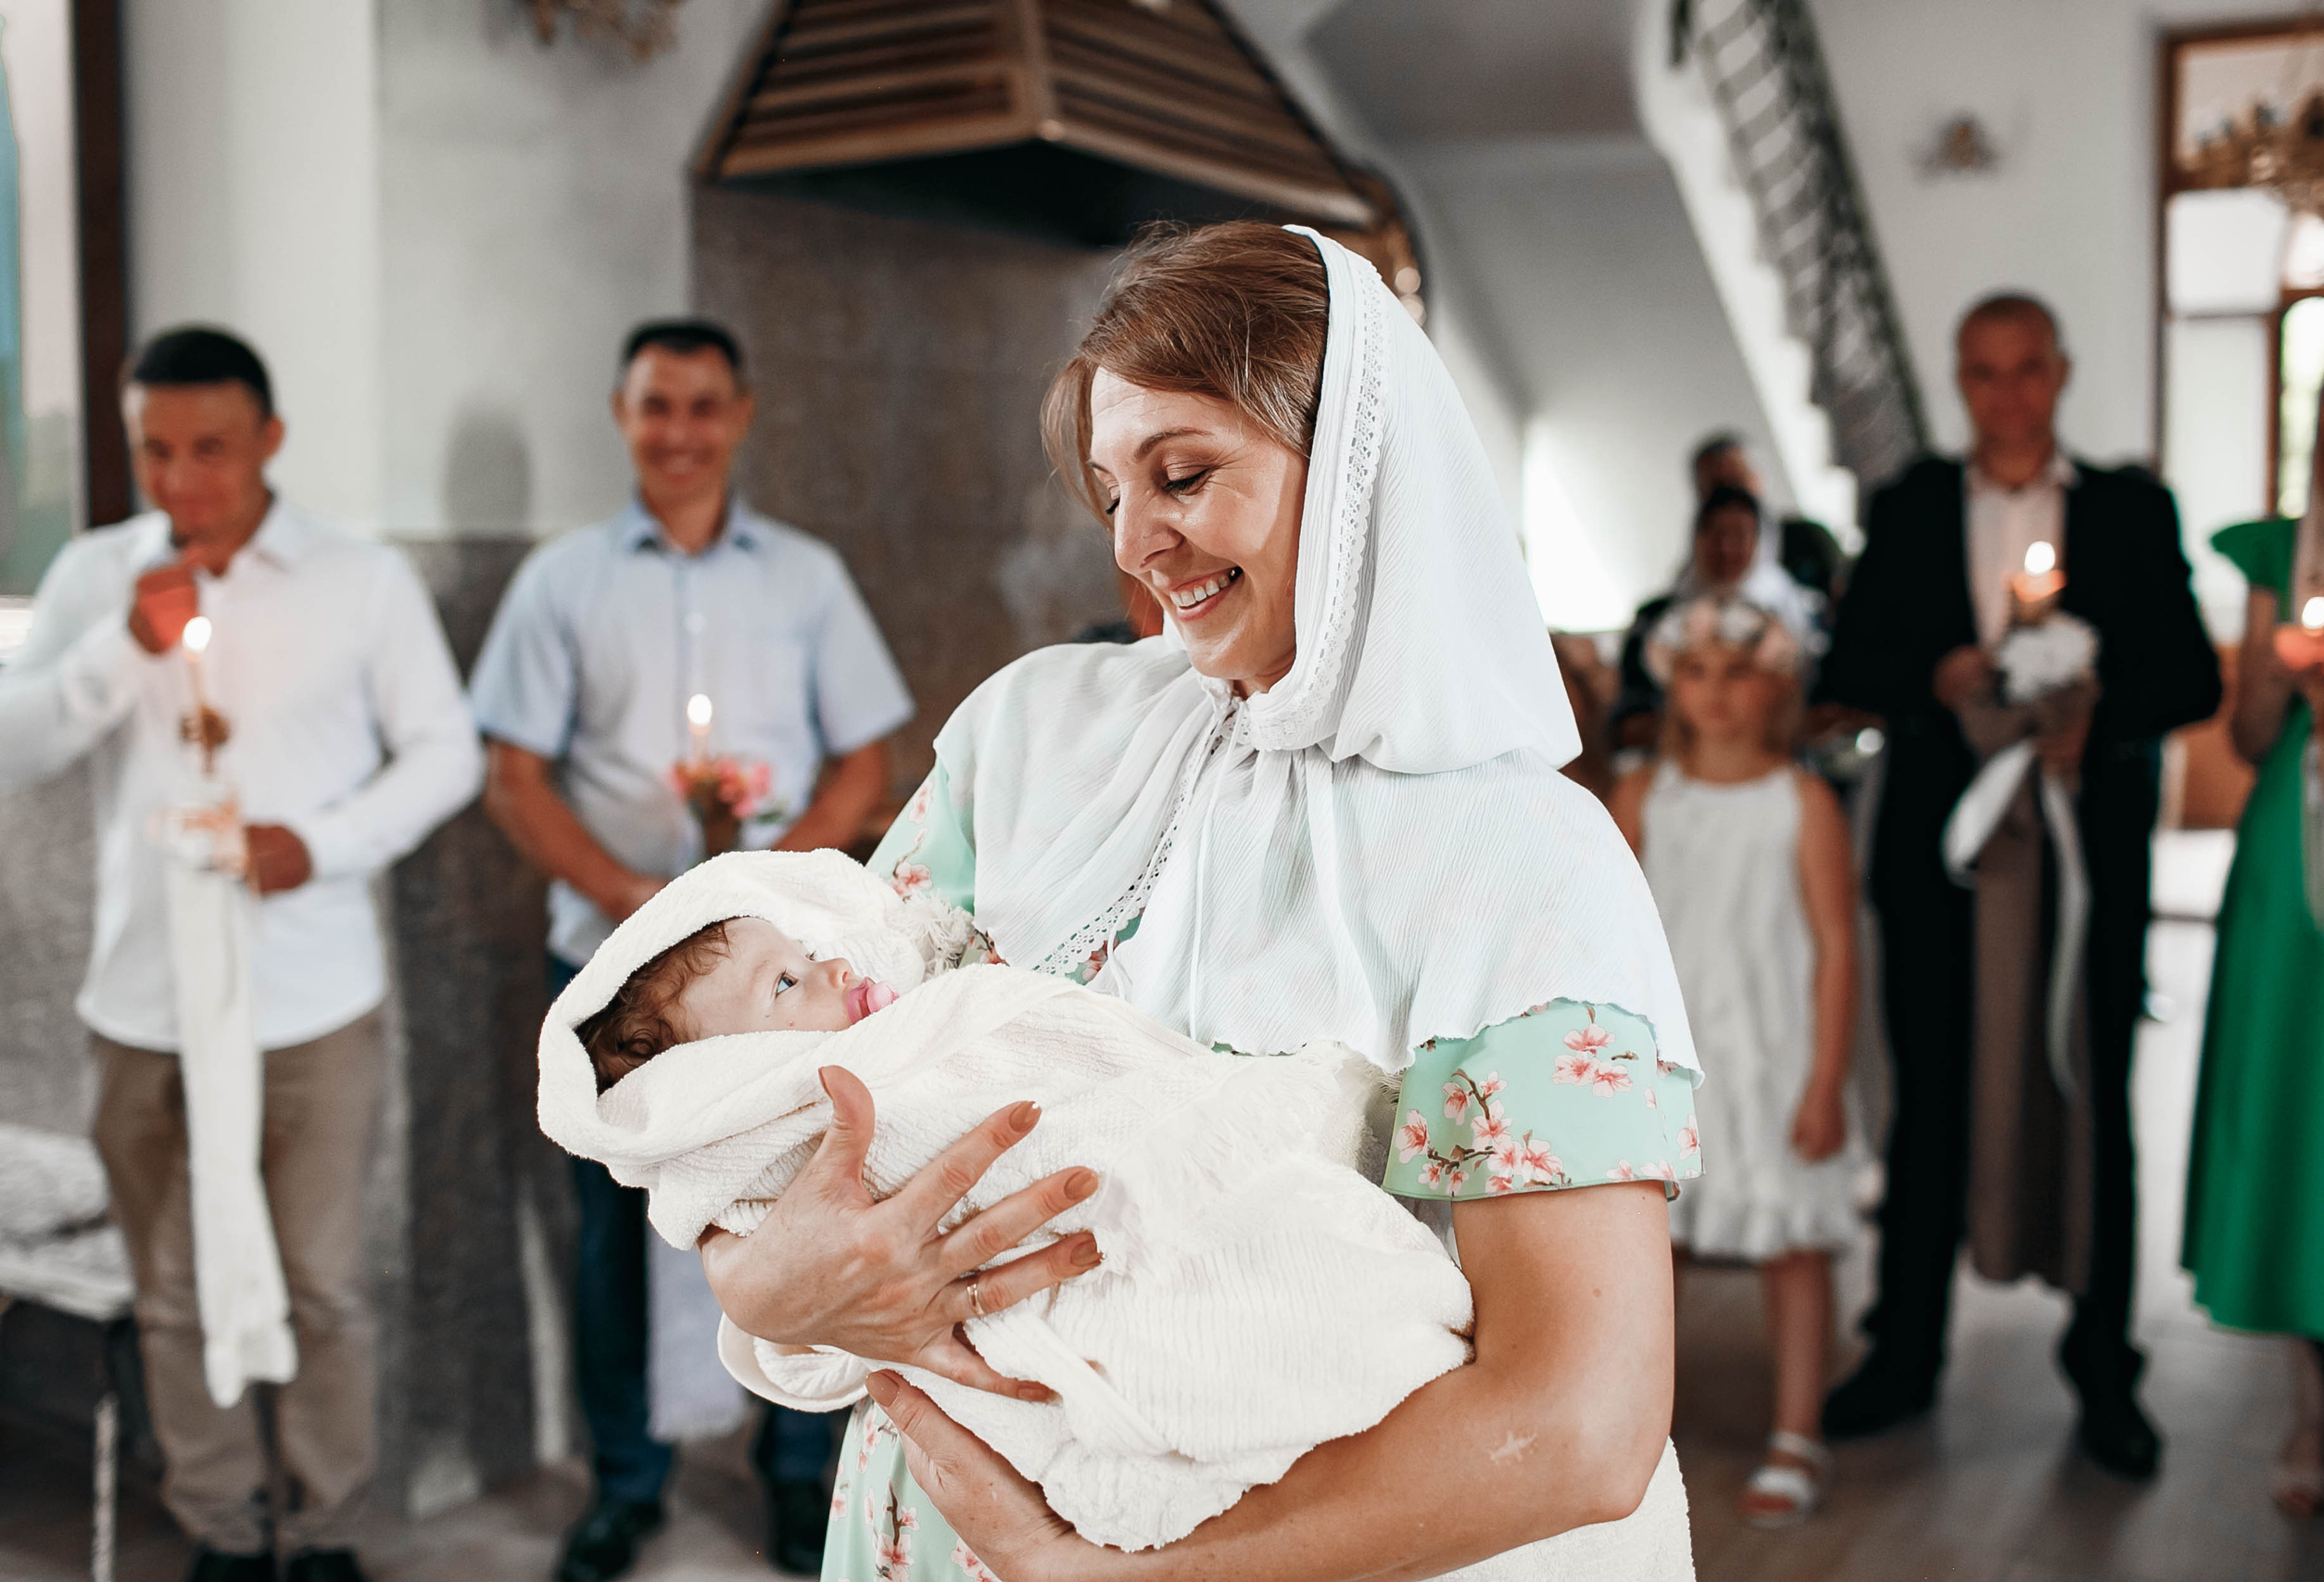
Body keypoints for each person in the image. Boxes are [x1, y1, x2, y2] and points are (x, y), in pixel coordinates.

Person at [701, 221, 1703, 1582]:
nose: (1136, 543)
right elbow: (784, 1111)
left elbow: (1579, 1420)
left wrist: (1120, 1578)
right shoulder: (1026, 735)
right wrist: (755, 1283)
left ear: (1359, 476)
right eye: (1111, 489)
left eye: (1186, 475)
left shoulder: (1520, 856)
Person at [538, 850, 1479, 1555]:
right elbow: (772, 1263)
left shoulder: (891, 1004)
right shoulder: (798, 1123)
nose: (829, 971)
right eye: (784, 986)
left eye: (805, 955)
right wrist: (761, 1287)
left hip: (1156, 1156)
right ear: (730, 1078)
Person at [0, 327, 482, 1582]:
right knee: (173, 1284)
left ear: (269, 438)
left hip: (312, 997)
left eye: (210, 448)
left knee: (320, 1283)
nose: (181, 480)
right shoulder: (101, 570)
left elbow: (446, 753)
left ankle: (323, 1528)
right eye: (154, 450)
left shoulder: (359, 580)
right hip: (144, 1000)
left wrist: (314, 844)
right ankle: (220, 1525)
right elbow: (17, 746)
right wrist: (125, 648)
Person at [469, 318, 915, 1580]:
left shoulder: (807, 579)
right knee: (616, 1233)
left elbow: (866, 756)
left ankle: (792, 1469)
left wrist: (767, 884)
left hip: (778, 984)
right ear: (623, 413)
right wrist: (634, 898)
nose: (680, 432)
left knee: (797, 1204)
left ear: (741, 415)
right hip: (611, 970)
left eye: (702, 408)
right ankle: (626, 1479)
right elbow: (513, 776)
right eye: (657, 406)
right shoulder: (563, 580)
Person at [1816, 293, 2221, 1476]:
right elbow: (1852, 664)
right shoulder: (1909, 507)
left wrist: (2096, 720)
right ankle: (1903, 1352)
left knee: (2090, 1088)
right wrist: (1932, 673)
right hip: (1942, 859)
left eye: (2026, 370)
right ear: (1958, 381)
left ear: (2061, 373)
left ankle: (2104, 1368)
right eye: (1982, 373)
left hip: (2085, 858)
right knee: (1929, 1101)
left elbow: (2188, 677)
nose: (2006, 394)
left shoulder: (2132, 512)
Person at [1610, 594, 1865, 1527]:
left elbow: (1837, 945)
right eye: (1696, 674)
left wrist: (1827, 1079)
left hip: (1770, 1054)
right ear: (1671, 683)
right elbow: (1604, 925)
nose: (1715, 696)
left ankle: (1798, 1429)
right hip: (1670, 1055)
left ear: (1777, 688)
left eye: (1738, 674)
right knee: (1650, 1247)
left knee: (1790, 1243)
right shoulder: (1642, 795)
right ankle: (1638, 1424)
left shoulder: (1801, 802)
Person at [2183, 330, 2324, 1515]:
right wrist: (2293, 680)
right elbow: (2248, 736)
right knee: (2303, 1098)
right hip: (2291, 849)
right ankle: (2310, 1399)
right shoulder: (2276, 550)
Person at [1611, 485, 1824, 748]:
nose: (1726, 548)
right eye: (1716, 533)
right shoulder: (1654, 618)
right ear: (1696, 539)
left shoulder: (1797, 620)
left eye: (1740, 535)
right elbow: (1627, 720)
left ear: (1761, 542)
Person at [1691, 432, 1847, 601]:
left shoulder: (1809, 538)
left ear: (1759, 477)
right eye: (1718, 486)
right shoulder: (1692, 584)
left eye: (1738, 479)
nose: (1733, 495)